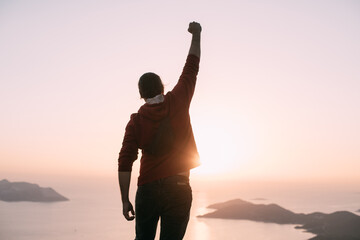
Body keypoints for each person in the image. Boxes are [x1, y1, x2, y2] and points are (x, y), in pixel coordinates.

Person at [118, 21, 202, 240]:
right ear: (162, 87)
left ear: (141, 94)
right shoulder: (179, 100)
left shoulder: (136, 122)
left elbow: (125, 161)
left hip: (148, 190)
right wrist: (196, 34)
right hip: (179, 188)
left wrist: (125, 199)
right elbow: (192, 66)